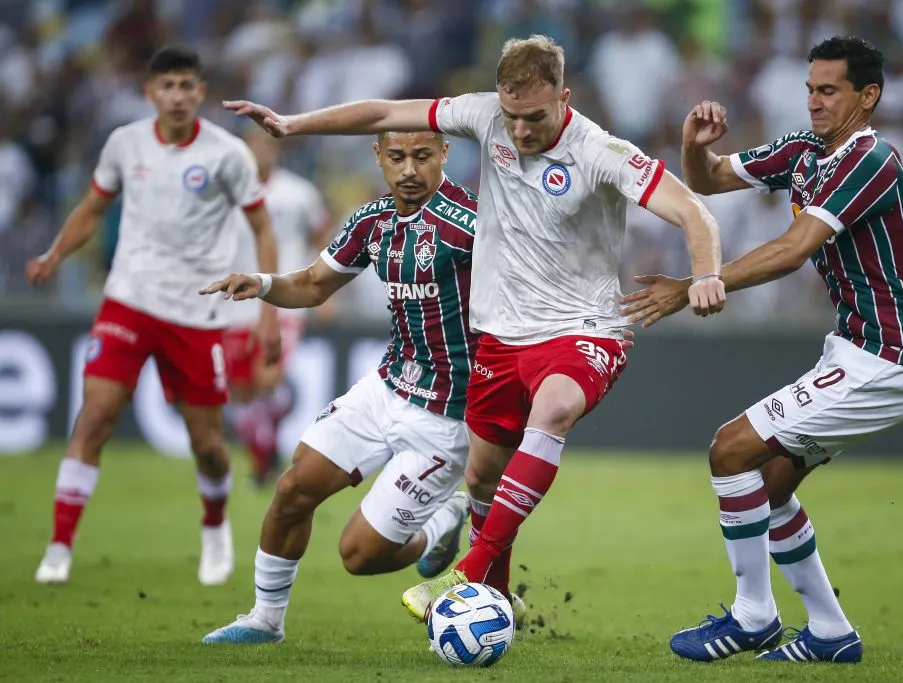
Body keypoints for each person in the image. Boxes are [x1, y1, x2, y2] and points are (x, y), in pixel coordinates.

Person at [223, 33, 727, 625]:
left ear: (564, 99)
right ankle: (465, 583)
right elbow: (385, 112)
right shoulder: (478, 119)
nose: (518, 131)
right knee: (470, 485)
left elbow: (692, 209)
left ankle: (465, 574)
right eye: (510, 116)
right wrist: (292, 124)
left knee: (553, 410)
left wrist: (706, 274)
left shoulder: (600, 151)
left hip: (578, 327)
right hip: (491, 343)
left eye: (534, 117)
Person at [622, 36, 903, 664]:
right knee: (765, 486)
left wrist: (697, 285)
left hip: (889, 356)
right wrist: (694, 146)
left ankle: (753, 614)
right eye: (810, 88)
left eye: (829, 90)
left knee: (730, 448)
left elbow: (795, 247)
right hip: (855, 352)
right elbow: (710, 181)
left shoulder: (871, 158)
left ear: (867, 96)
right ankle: (830, 632)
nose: (815, 101)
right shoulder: (805, 150)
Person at [198, 130, 482, 644]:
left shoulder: (472, 227)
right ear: (378, 157)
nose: (409, 170)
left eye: (422, 156)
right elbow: (311, 285)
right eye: (396, 157)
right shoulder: (371, 222)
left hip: (446, 416)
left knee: (359, 556)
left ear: (444, 153)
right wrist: (261, 283)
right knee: (292, 490)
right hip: (385, 388)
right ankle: (265, 620)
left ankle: (443, 521)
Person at [26, 46, 281, 586]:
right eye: (167, 85)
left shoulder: (227, 154)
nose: (178, 95)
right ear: (150, 93)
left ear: (201, 92)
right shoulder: (126, 143)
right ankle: (59, 546)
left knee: (209, 446)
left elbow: (261, 227)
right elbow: (93, 206)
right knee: (94, 417)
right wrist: (54, 254)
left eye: (188, 85)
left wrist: (267, 312)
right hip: (129, 301)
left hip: (196, 311)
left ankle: (214, 530)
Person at [222, 130, 333, 486]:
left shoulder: (299, 193)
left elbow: (322, 235)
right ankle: (264, 455)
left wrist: (326, 287)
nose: (259, 152)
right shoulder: (229, 196)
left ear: (276, 150)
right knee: (241, 390)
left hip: (285, 301)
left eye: (265, 145)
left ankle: (264, 460)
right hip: (236, 306)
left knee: (267, 378)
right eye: (251, 146)